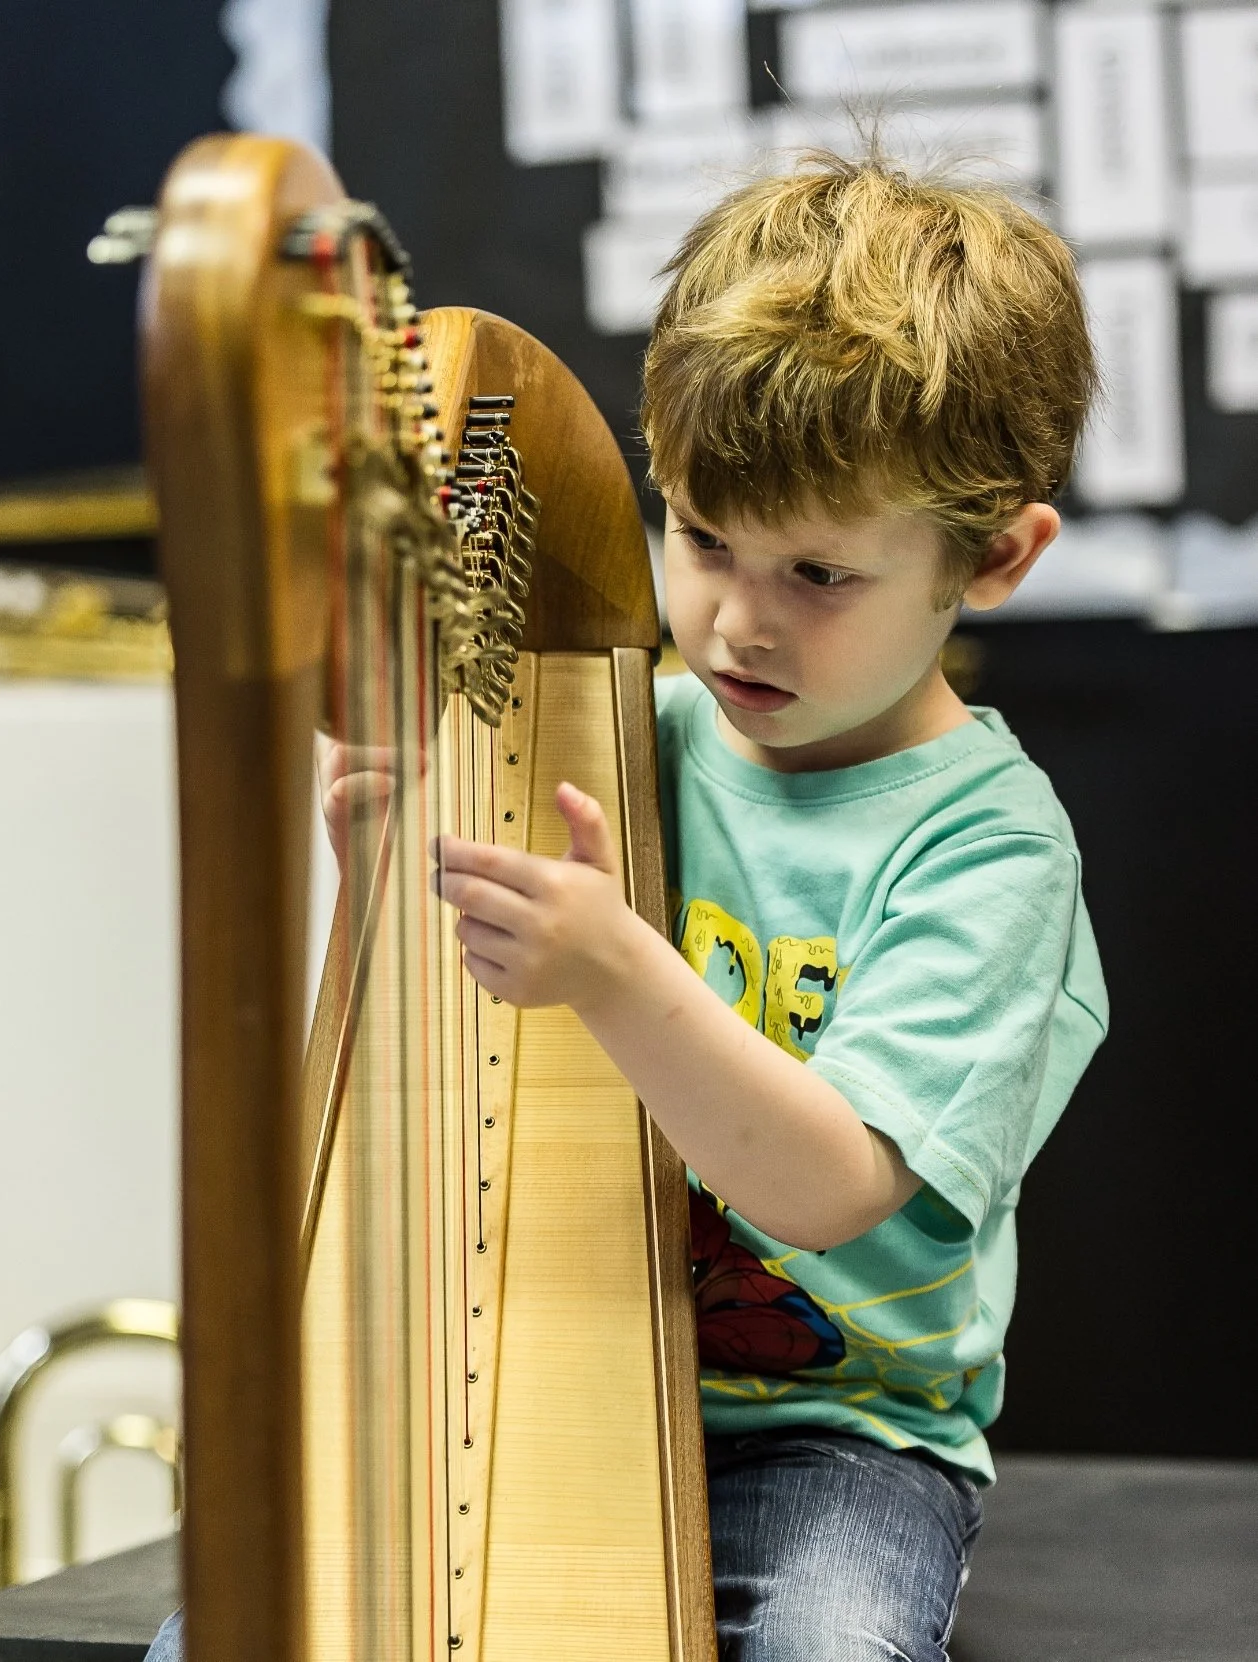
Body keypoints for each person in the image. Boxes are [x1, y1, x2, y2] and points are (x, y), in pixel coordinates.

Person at [147, 151, 1107, 1662]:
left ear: (991, 557)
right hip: (569, 1356)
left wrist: (614, 969)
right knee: (231, 1630)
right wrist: (399, 870)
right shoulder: (619, 730)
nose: (737, 614)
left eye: (816, 571)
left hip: (829, 1437)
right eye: (703, 536)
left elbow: (829, 1183)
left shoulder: (987, 850)